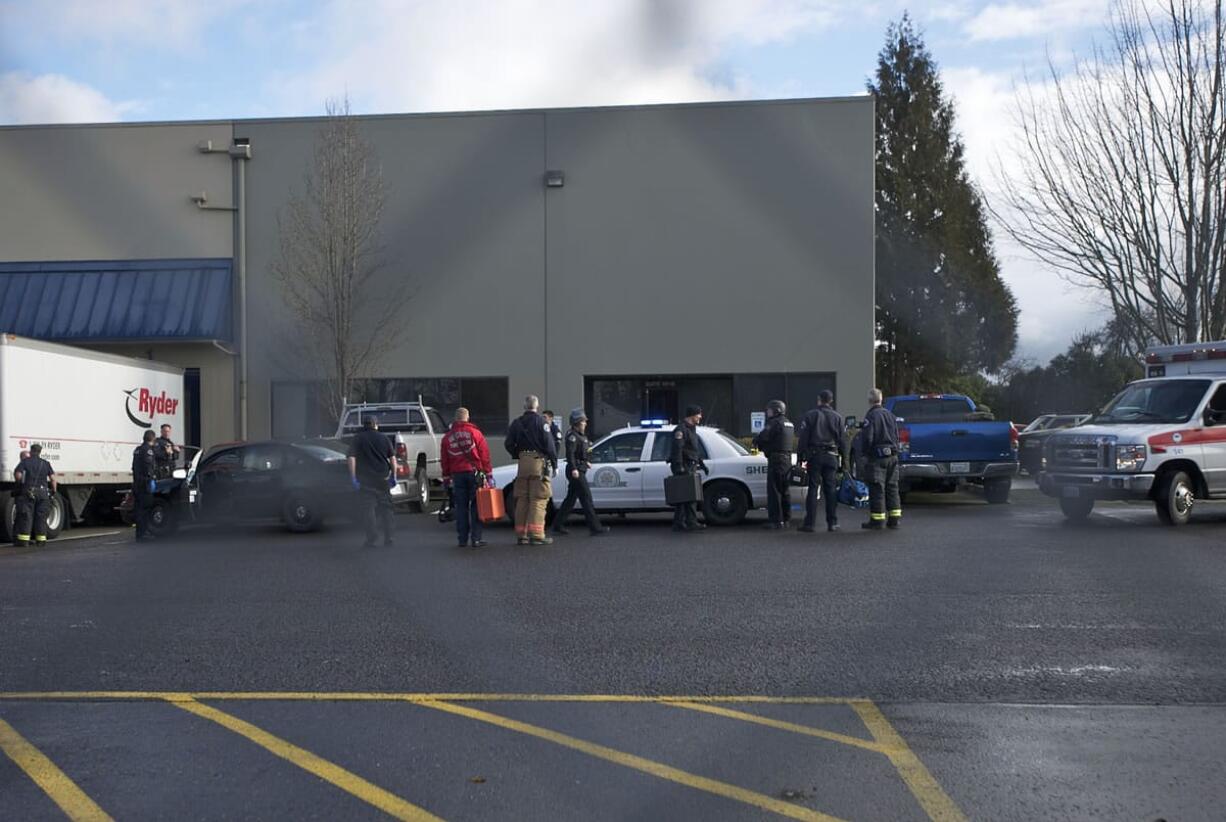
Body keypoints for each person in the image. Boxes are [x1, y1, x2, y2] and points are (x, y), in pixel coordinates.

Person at [505, 395, 558, 545]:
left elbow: (508, 443)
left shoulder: (516, 423)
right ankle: (537, 534)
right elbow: (550, 445)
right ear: (537, 406)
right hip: (538, 463)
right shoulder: (542, 422)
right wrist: (554, 463)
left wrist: (518, 454)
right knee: (539, 499)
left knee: (522, 499)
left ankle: (522, 534)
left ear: (524, 406)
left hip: (522, 464)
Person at [552, 408, 610, 537]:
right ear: (577, 422)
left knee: (570, 500)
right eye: (583, 421)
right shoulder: (572, 436)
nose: (585, 423)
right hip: (576, 471)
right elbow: (570, 454)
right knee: (586, 498)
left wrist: (588, 461)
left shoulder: (581, 436)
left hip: (580, 469)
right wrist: (573, 469)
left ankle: (557, 525)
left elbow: (587, 450)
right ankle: (595, 528)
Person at [440, 407, 493, 549]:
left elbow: (445, 460)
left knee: (461, 508)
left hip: (457, 475)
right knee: (477, 506)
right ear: (467, 418)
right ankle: (476, 538)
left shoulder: (447, 438)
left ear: (455, 419)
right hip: (475, 474)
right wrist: (488, 474)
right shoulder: (476, 433)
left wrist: (446, 478)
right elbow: (484, 455)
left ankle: (462, 539)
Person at [797, 389, 845, 533]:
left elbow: (803, 438)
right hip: (831, 456)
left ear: (819, 399)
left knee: (813, 488)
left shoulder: (810, 415)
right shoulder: (837, 417)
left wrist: (801, 457)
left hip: (815, 455)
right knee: (830, 489)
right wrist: (845, 461)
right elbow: (843, 441)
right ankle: (832, 523)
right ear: (831, 401)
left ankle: (809, 523)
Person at [347, 416, 396, 547]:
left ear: (364, 425)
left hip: (366, 480)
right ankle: (389, 536)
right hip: (383, 479)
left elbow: (352, 458)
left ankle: (372, 537)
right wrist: (394, 476)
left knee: (369, 509)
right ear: (375, 424)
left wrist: (353, 478)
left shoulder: (358, 438)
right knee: (387, 508)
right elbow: (392, 459)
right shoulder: (384, 438)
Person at [861, 388, 902, 531]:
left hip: (877, 457)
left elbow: (867, 438)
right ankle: (894, 519)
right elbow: (897, 436)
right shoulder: (890, 415)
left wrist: (864, 454)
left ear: (870, 400)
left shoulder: (871, 416)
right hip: (892, 456)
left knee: (877, 488)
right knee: (892, 487)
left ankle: (877, 520)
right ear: (881, 399)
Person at [752, 399, 795, 529]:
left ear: (776, 410)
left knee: (774, 491)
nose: (767, 412)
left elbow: (763, 437)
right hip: (786, 459)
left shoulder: (774, 423)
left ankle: (775, 521)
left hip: (776, 460)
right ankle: (786, 519)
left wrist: (756, 441)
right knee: (785, 490)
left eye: (769, 410)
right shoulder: (789, 423)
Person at [669, 405, 708, 533]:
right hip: (684, 466)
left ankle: (683, 522)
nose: (700, 417)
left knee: (688, 495)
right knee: (686, 496)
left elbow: (693, 449)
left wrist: (701, 463)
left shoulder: (692, 429)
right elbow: (677, 449)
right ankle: (686, 522)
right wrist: (679, 465)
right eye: (698, 414)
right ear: (692, 415)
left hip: (691, 464)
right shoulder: (681, 430)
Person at [13, 444, 56, 547]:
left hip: (28, 492)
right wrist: (53, 491)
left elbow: (18, 475)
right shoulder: (45, 463)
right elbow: (53, 479)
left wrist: (19, 484)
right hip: (43, 494)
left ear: (31, 451)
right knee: (41, 517)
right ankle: (41, 540)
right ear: (40, 452)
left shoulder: (25, 462)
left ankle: (23, 541)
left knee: (26, 516)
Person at [131, 430, 158, 542]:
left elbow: (134, 467)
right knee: (145, 509)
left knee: (138, 509)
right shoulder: (147, 451)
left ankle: (139, 533)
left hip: (136, 483)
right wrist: (152, 478)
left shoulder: (137, 449)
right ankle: (144, 533)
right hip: (145, 483)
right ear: (153, 439)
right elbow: (148, 468)